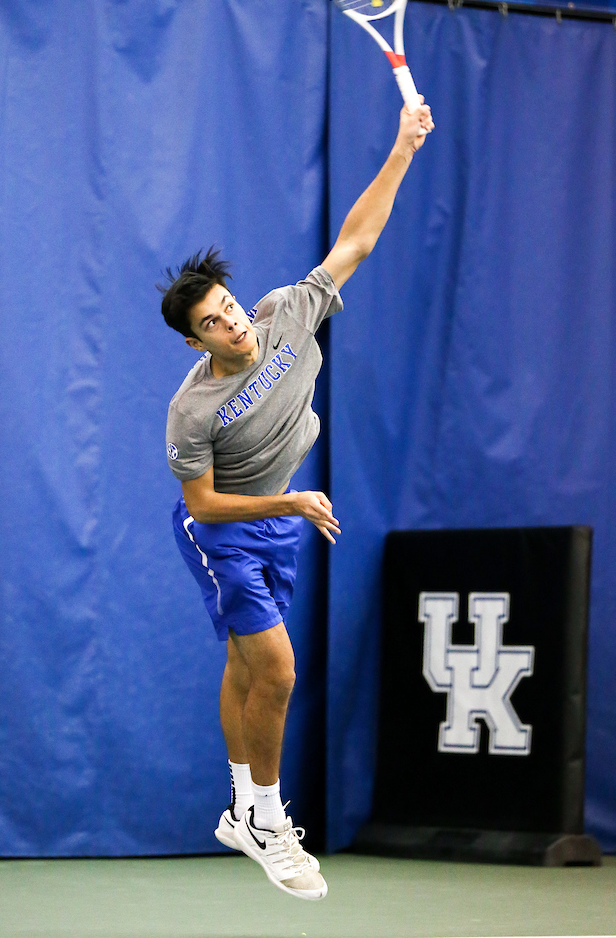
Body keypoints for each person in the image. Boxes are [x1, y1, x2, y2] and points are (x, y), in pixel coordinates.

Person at [160, 98, 434, 900]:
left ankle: (240, 806)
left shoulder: (287, 314)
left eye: (232, 308)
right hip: (224, 531)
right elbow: (203, 506)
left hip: (278, 517)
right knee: (274, 671)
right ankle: (269, 822)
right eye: (214, 324)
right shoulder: (191, 411)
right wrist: (291, 504)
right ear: (194, 341)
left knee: (246, 665)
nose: (235, 326)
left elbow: (357, 239)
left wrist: (401, 148)